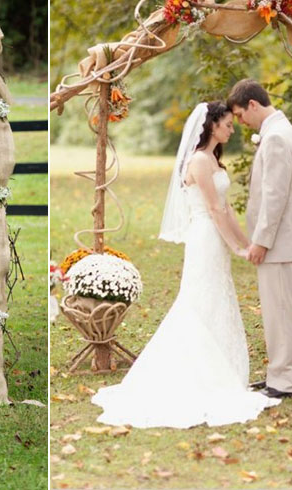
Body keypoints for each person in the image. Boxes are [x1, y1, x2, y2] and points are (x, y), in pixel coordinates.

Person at [90, 102, 280, 428]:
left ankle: (223, 370)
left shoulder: (214, 161)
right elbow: (214, 210)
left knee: (217, 299)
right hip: (205, 237)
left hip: (216, 236)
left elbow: (227, 210)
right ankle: (198, 374)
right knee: (199, 301)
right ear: (211, 126)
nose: (232, 130)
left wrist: (246, 243)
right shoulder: (199, 162)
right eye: (227, 125)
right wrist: (236, 247)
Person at [228, 79, 292, 399]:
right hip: (286, 242)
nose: (239, 121)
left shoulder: (276, 137)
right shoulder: (279, 130)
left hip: (280, 244)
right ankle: (280, 373)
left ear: (253, 104)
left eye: (239, 114)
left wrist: (260, 241)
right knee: (280, 313)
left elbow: (274, 197)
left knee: (283, 314)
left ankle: (286, 382)